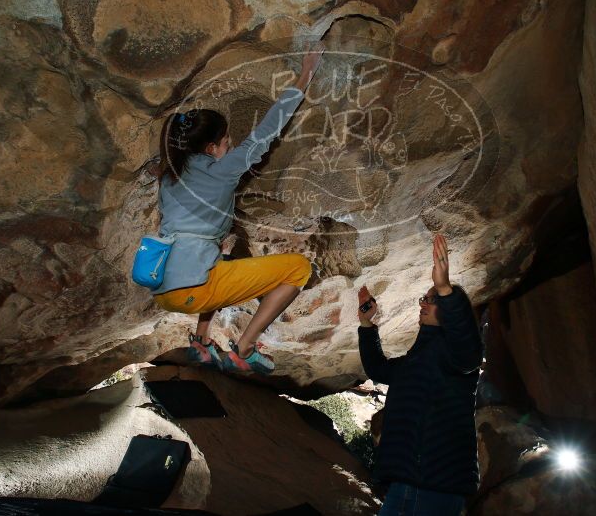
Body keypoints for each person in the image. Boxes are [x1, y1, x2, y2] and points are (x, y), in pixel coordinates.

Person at [152, 42, 325, 374]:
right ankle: (244, 349)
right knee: (299, 269)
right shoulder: (222, 169)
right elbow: (267, 131)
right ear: (211, 147)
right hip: (194, 288)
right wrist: (306, 74)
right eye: (226, 140)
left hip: (164, 288)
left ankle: (201, 342)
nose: (230, 143)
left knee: (225, 257)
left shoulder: (169, 175)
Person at [357, 233, 483, 515]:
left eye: (431, 300)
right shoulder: (419, 358)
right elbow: (378, 369)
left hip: (430, 482)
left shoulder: (456, 356)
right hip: (413, 481)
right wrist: (367, 324)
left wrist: (446, 290)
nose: (423, 304)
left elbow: (468, 345)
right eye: (424, 299)